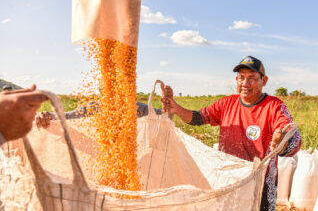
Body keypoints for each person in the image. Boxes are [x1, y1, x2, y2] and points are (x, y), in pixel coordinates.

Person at [162, 56, 301, 211]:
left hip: (259, 188)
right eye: (241, 78)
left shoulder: (274, 106)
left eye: (252, 78)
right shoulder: (227, 103)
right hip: (229, 183)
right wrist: (177, 108)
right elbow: (200, 117)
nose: (245, 83)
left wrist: (282, 142)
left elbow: (290, 133)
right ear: (236, 80)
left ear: (264, 80)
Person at [36, 101, 163, 129]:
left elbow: (164, 116)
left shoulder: (138, 108)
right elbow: (68, 117)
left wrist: (168, 103)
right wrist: (48, 115)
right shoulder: (94, 108)